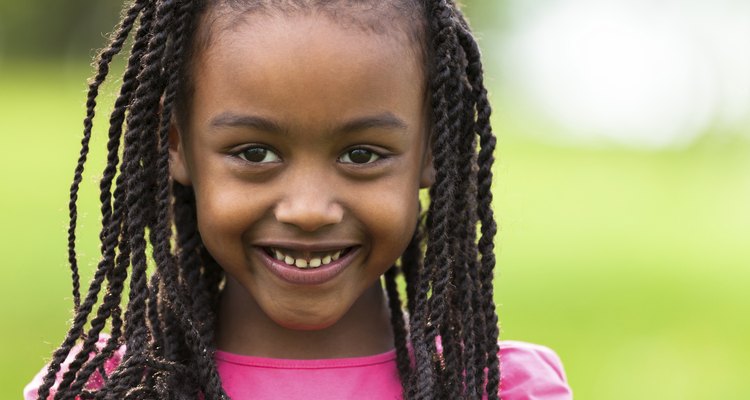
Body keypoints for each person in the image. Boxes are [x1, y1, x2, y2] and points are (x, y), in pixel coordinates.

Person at [25, 0, 573, 399]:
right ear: (178, 148)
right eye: (256, 153)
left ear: (432, 149)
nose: (308, 210)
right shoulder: (109, 387)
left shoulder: (496, 389)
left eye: (361, 156)